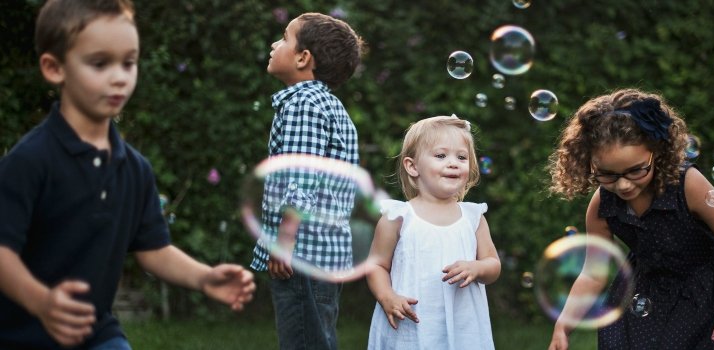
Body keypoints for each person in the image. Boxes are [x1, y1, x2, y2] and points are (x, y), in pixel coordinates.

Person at [0, 1, 256, 349]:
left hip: (97, 334)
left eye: (129, 62)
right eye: (100, 63)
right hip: (21, 336)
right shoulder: (30, 161)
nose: (119, 76)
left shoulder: (134, 169)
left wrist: (204, 277)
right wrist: (42, 302)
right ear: (54, 67)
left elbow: (153, 249)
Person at [545, 88, 714, 350]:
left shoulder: (688, 186)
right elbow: (593, 274)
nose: (623, 185)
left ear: (657, 151)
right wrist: (564, 323)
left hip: (701, 294)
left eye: (636, 170)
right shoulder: (603, 205)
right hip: (642, 293)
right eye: (607, 174)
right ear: (589, 163)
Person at [248, 12, 365, 350]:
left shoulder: (305, 104)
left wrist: (283, 242)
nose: (274, 44)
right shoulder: (330, 106)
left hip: (302, 253)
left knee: (303, 341)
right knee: (317, 337)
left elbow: (300, 180)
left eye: (284, 38)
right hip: (321, 252)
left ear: (303, 58)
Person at [366, 115, 501, 350]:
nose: (453, 163)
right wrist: (387, 297)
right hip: (411, 328)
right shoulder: (398, 216)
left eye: (461, 157)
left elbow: (493, 265)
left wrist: (477, 268)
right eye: (441, 155)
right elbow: (376, 265)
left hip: (463, 327)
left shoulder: (473, 217)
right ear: (412, 166)